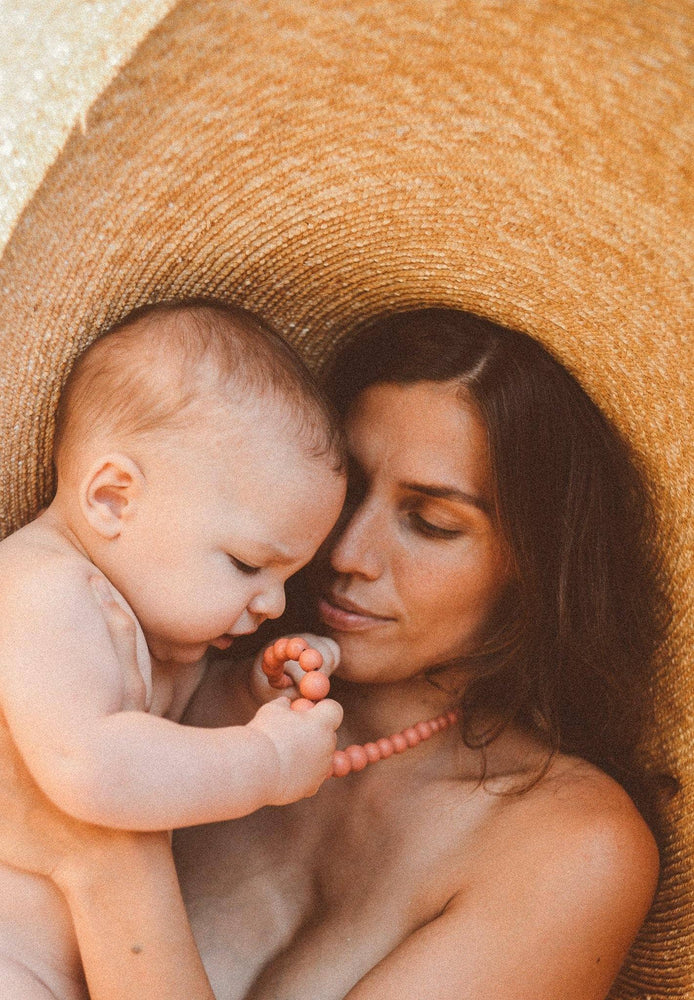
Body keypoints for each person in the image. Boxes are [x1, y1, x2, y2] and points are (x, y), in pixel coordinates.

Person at [0, 309, 665, 1000]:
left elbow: (92, 807)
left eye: (431, 523)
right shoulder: (170, 672)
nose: (345, 555)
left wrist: (106, 851)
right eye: (345, 496)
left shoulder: (569, 844)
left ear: (537, 562)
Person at [0, 300, 345, 999]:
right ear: (113, 499)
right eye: (249, 565)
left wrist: (249, 698)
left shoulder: (160, 640)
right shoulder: (42, 589)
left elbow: (165, 752)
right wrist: (266, 759)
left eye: (288, 578)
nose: (273, 604)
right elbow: (93, 769)